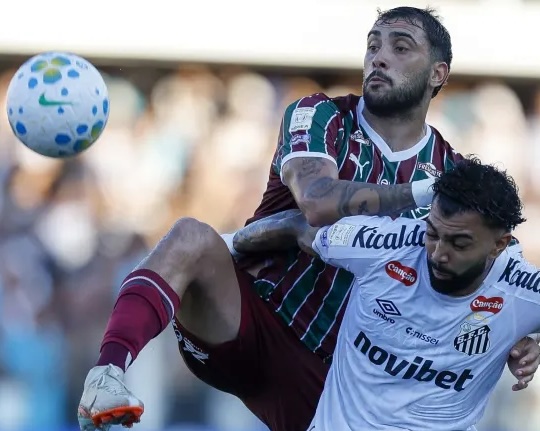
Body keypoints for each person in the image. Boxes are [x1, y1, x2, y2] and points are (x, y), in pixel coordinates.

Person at [77, 6, 540, 431]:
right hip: (253, 321)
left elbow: (503, 269)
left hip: (341, 376)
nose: (379, 57)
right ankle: (107, 375)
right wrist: (422, 191)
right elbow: (317, 202)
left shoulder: (453, 173)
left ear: (438, 73)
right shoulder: (320, 115)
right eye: (373, 45)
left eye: (400, 47)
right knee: (190, 237)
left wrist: (526, 336)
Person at [233, 157, 540, 430]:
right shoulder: (381, 244)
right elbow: (296, 226)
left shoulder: (523, 289)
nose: (438, 254)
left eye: (459, 244)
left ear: (499, 245)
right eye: (432, 234)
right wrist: (229, 245)